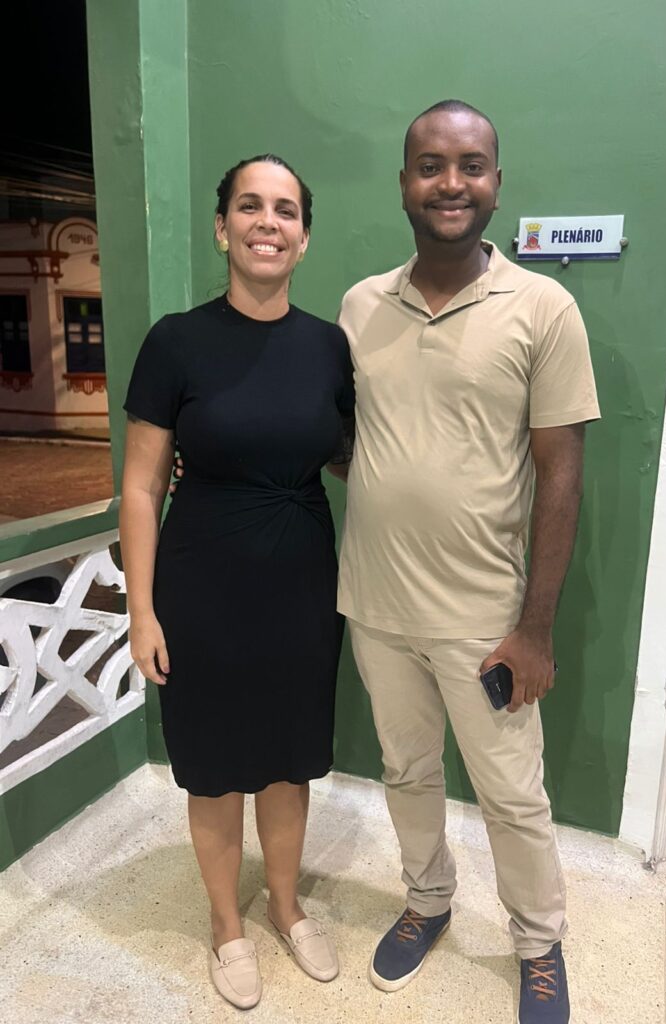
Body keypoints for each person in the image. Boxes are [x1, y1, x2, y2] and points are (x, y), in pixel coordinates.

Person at [334, 100, 600, 1023]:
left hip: (485, 618)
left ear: (495, 182)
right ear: (404, 182)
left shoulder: (543, 307)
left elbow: (561, 473)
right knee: (406, 772)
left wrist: (535, 630)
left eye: (470, 165)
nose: (451, 183)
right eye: (431, 165)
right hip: (375, 604)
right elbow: (351, 435)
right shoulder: (361, 305)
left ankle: (538, 943)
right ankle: (428, 901)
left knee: (513, 796)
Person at [120, 153, 353, 1010]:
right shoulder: (176, 342)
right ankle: (226, 924)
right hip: (201, 588)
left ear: (304, 237)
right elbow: (140, 488)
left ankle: (286, 906)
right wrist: (140, 610)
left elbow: (350, 456)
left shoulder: (328, 346)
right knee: (215, 769)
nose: (268, 223)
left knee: (289, 764)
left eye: (286, 211)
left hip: (302, 586)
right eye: (250, 207)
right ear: (222, 229)